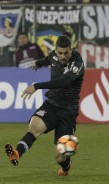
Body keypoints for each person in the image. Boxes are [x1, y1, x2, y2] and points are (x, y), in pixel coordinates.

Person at [5, 35, 85, 176]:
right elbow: (49, 59)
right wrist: (39, 63)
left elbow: (62, 82)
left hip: (68, 112)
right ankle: (17, 153)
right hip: (51, 105)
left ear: (71, 50)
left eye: (66, 53)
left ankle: (66, 167)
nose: (63, 56)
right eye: (60, 52)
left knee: (60, 156)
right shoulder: (54, 55)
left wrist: (36, 86)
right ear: (56, 50)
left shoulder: (77, 63)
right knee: (34, 128)